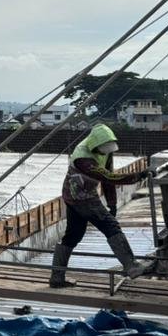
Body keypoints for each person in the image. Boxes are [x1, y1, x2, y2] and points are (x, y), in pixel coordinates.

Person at [49, 123, 149, 288]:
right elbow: (108, 177)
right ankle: (131, 266)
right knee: (111, 226)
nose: (105, 153)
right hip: (80, 197)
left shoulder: (105, 151)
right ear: (94, 145)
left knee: (73, 235)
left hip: (79, 195)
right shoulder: (82, 157)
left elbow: (108, 178)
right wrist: (138, 175)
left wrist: (112, 203)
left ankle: (56, 278)